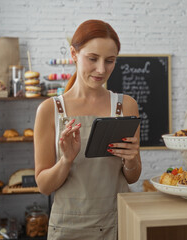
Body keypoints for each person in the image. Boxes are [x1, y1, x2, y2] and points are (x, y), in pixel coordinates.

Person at [34, 19, 142, 239]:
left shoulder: (126, 106)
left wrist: (131, 160)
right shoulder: (49, 110)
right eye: (92, 59)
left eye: (110, 61)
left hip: (118, 224)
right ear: (74, 54)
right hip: (68, 228)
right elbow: (44, 185)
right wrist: (66, 160)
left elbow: (132, 178)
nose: (101, 69)